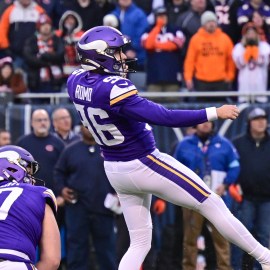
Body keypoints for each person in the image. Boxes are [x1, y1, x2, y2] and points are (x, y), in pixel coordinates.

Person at [66, 26, 270, 270]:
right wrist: (214, 112)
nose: (122, 57)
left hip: (114, 168)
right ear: (99, 56)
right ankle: (265, 257)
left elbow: (100, 86)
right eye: (116, 52)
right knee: (211, 202)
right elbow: (165, 116)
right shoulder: (113, 89)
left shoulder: (75, 81)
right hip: (143, 162)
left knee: (140, 242)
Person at [174, 121, 240, 270]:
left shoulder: (224, 144)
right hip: (192, 200)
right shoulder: (185, 144)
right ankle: (189, 267)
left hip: (217, 199)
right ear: (194, 125)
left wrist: (226, 184)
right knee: (190, 240)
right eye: (202, 122)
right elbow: (174, 169)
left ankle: (224, 268)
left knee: (222, 238)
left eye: (208, 122)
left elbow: (235, 166)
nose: (205, 125)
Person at [54, 124, 118, 270]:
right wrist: (62, 189)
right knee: (77, 250)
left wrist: (119, 194)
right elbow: (58, 172)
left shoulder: (109, 149)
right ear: (80, 128)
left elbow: (121, 172)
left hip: (104, 208)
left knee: (107, 251)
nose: (89, 129)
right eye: (85, 126)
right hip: (77, 208)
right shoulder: (70, 150)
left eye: (92, 126)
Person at [0, 145, 60, 270]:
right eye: (28, 170)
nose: (31, 177)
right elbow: (52, 260)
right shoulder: (38, 193)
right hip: (12, 263)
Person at [231, 107, 270, 270]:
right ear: (249, 123)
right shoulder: (237, 143)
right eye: (257, 119)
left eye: (263, 118)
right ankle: (237, 268)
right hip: (244, 198)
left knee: (264, 237)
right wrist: (231, 185)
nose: (261, 121)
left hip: (267, 199)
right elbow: (230, 167)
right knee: (240, 238)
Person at [184, 11, 235, 102]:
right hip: (202, 82)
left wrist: (230, 76)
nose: (211, 24)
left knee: (221, 111)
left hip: (221, 82)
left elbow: (231, 60)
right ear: (203, 24)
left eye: (213, 21)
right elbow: (190, 61)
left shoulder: (225, 39)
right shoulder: (196, 39)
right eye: (208, 22)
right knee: (204, 111)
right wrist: (188, 78)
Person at [16, 109, 65, 193]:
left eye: (45, 120)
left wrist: (61, 194)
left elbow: (65, 170)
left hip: (53, 194)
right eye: (39, 120)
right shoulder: (22, 143)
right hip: (28, 193)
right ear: (32, 123)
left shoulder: (59, 143)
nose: (43, 123)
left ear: (50, 122)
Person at [232, 22, 270, 103]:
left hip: (260, 89)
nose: (251, 35)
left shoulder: (265, 46)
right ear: (244, 35)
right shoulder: (238, 47)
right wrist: (247, 52)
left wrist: (256, 53)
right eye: (248, 33)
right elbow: (239, 64)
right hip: (244, 90)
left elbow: (264, 62)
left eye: (253, 33)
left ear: (257, 34)